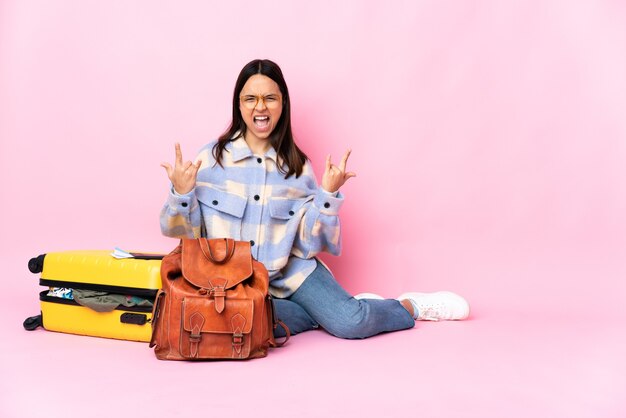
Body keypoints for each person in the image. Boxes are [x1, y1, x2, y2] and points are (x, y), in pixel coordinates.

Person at [160, 59, 469, 339]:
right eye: (250, 99)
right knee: (244, 322)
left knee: (352, 324)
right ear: (238, 105)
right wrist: (182, 195)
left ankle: (408, 306)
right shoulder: (210, 160)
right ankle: (331, 310)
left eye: (270, 98)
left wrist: (327, 196)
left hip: (292, 274)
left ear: (283, 104)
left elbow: (309, 245)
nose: (260, 108)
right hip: (233, 284)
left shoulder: (297, 167)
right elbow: (184, 236)